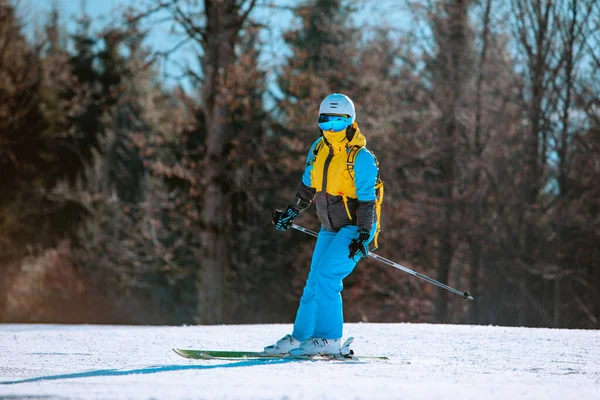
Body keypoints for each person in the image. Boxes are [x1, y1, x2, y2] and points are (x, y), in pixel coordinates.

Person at [266, 93, 382, 356]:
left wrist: (364, 235)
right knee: (313, 282)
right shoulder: (318, 149)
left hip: (357, 227)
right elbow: (308, 186)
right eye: (325, 121)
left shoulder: (361, 157)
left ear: (350, 121)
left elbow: (367, 202)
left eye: (338, 123)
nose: (331, 129)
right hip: (330, 226)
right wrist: (290, 212)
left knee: (327, 276)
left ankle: (329, 340)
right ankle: (301, 338)